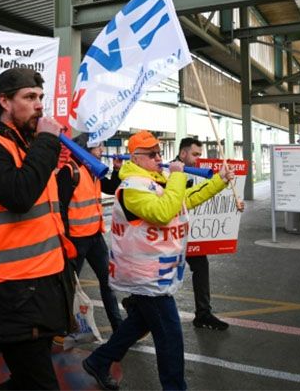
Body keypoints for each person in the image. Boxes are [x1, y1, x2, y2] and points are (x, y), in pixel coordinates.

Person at [82, 130, 237, 391]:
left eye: (158, 153)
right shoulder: (132, 186)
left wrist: (218, 182)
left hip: (156, 273)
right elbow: (163, 213)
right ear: (136, 157)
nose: (158, 158)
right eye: (151, 154)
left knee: (139, 323)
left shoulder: (154, 180)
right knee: (170, 337)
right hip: (145, 276)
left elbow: (182, 202)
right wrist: (176, 176)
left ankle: (99, 361)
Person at [0, 67, 73, 390]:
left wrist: (62, 172)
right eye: (29, 97)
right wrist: (47, 144)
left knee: (28, 381)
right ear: (5, 101)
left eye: (40, 97)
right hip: (12, 291)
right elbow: (19, 195)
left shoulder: (25, 142)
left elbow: (42, 207)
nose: (38, 105)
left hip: (42, 284)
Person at [56, 133, 123, 332]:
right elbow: (60, 208)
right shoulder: (70, 172)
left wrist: (117, 170)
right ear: (85, 150)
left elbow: (111, 188)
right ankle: (61, 327)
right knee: (68, 287)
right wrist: (65, 240)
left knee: (108, 282)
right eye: (98, 147)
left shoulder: (94, 171)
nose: (102, 150)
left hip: (94, 237)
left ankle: (118, 326)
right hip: (76, 240)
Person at [175, 137, 229, 330]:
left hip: (192, 234)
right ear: (183, 153)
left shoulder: (199, 173)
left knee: (201, 266)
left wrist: (235, 205)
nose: (198, 158)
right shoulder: (169, 173)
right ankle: (135, 302)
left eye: (200, 154)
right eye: (195, 154)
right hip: (171, 237)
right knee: (163, 274)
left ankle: (203, 313)